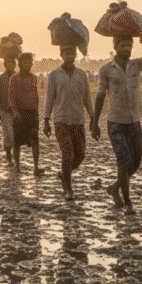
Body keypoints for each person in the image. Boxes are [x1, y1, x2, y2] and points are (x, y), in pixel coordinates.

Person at [91, 27, 142, 215]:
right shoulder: (106, 70)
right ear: (115, 47)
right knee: (124, 161)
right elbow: (100, 95)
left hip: (134, 121)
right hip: (115, 122)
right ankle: (128, 202)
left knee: (136, 162)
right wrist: (94, 122)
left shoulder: (136, 65)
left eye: (129, 45)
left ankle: (115, 188)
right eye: (123, 45)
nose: (127, 49)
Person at [43, 44, 94, 201]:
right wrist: (46, 120)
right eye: (67, 52)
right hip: (61, 120)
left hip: (78, 120)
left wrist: (93, 118)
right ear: (62, 54)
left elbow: (87, 98)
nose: (70, 55)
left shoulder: (81, 75)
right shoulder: (54, 75)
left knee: (80, 155)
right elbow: (49, 98)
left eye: (72, 52)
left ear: (75, 54)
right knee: (67, 152)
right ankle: (68, 190)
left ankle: (64, 174)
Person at [8, 52, 45, 175]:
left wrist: (37, 110)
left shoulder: (34, 78)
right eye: (25, 63)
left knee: (35, 140)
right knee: (17, 142)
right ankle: (17, 166)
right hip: (19, 115)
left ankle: (35, 167)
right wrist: (15, 112)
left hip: (32, 113)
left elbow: (35, 94)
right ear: (20, 64)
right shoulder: (14, 78)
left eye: (30, 62)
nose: (28, 65)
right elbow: (11, 98)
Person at [0, 57, 17, 165]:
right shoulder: (0, 78)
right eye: (8, 63)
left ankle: (14, 157)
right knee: (8, 135)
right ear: (5, 64)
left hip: (17, 112)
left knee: (16, 136)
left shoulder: (18, 77)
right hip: (4, 111)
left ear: (15, 64)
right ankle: (9, 155)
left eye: (13, 63)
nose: (11, 65)